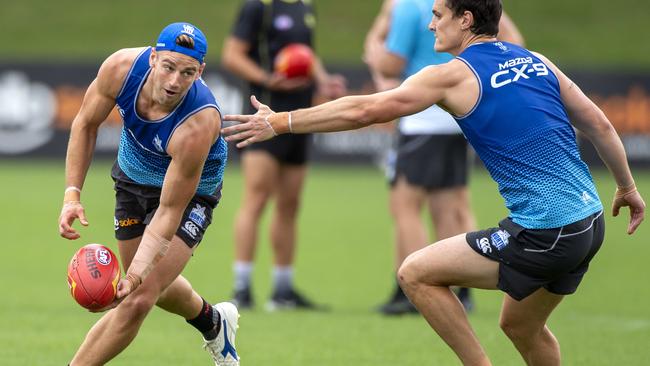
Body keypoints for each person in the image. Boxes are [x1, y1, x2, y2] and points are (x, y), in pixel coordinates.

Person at [222, 0, 646, 364]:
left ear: (464, 20)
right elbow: (599, 123)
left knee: (416, 273)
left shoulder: (452, 75)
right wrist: (627, 187)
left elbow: (364, 111)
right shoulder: (535, 60)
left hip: (547, 230)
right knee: (521, 327)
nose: (430, 24)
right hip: (589, 224)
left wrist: (281, 121)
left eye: (438, 14)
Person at [58, 23, 240, 366]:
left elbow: (170, 211)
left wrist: (137, 275)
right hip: (133, 177)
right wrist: (72, 196)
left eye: (187, 73)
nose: (174, 82)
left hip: (191, 195)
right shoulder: (121, 69)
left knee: (138, 297)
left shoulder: (199, 122)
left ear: (200, 72)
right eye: (169, 67)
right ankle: (213, 322)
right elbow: (84, 123)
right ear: (153, 58)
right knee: (152, 288)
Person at [364, 0, 525, 315]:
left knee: (405, 205)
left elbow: (390, 66)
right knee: (451, 205)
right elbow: (515, 43)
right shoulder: (465, 3)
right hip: (461, 113)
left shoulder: (409, 7)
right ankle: (462, 290)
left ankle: (413, 286)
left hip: (424, 116)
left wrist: (375, 36)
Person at [221, 0, 346, 310]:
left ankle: (283, 290)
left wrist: (323, 79)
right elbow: (232, 55)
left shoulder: (306, 5)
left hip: (298, 119)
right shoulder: (258, 7)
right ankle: (242, 288)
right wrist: (266, 78)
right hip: (261, 115)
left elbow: (306, 53)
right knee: (257, 199)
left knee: (290, 204)